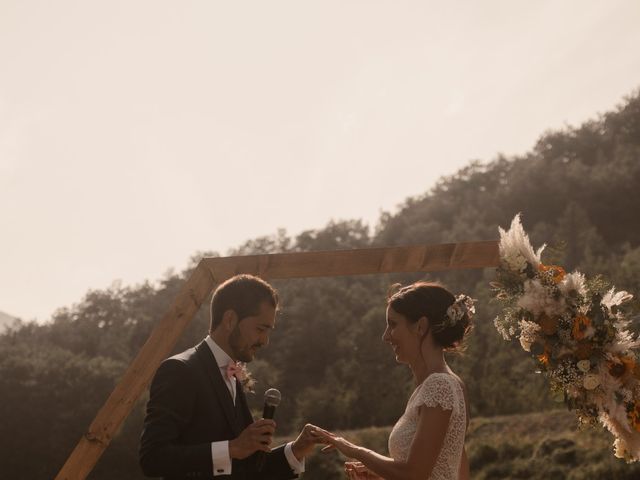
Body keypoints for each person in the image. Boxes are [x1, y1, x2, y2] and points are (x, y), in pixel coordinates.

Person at [140, 274, 317, 479]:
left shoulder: (231, 374)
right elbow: (153, 459)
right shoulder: (180, 370)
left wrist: (295, 451)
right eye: (260, 329)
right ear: (230, 320)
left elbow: (245, 469)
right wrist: (231, 448)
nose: (265, 341)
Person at [311, 282, 474, 480]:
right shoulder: (447, 384)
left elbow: (414, 474)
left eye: (393, 324)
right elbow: (452, 470)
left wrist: (353, 449)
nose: (386, 336)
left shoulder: (439, 386)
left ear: (420, 327)